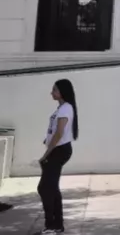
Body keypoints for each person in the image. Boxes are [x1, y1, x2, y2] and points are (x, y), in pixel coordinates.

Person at [38, 79, 78, 235]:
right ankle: (56, 225)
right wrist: (46, 140)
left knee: (45, 188)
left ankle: (52, 226)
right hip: (59, 149)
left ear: (62, 92)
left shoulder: (65, 109)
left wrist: (46, 154)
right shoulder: (62, 108)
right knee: (50, 188)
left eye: (54, 90)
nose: (51, 93)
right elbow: (56, 131)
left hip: (58, 151)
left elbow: (59, 134)